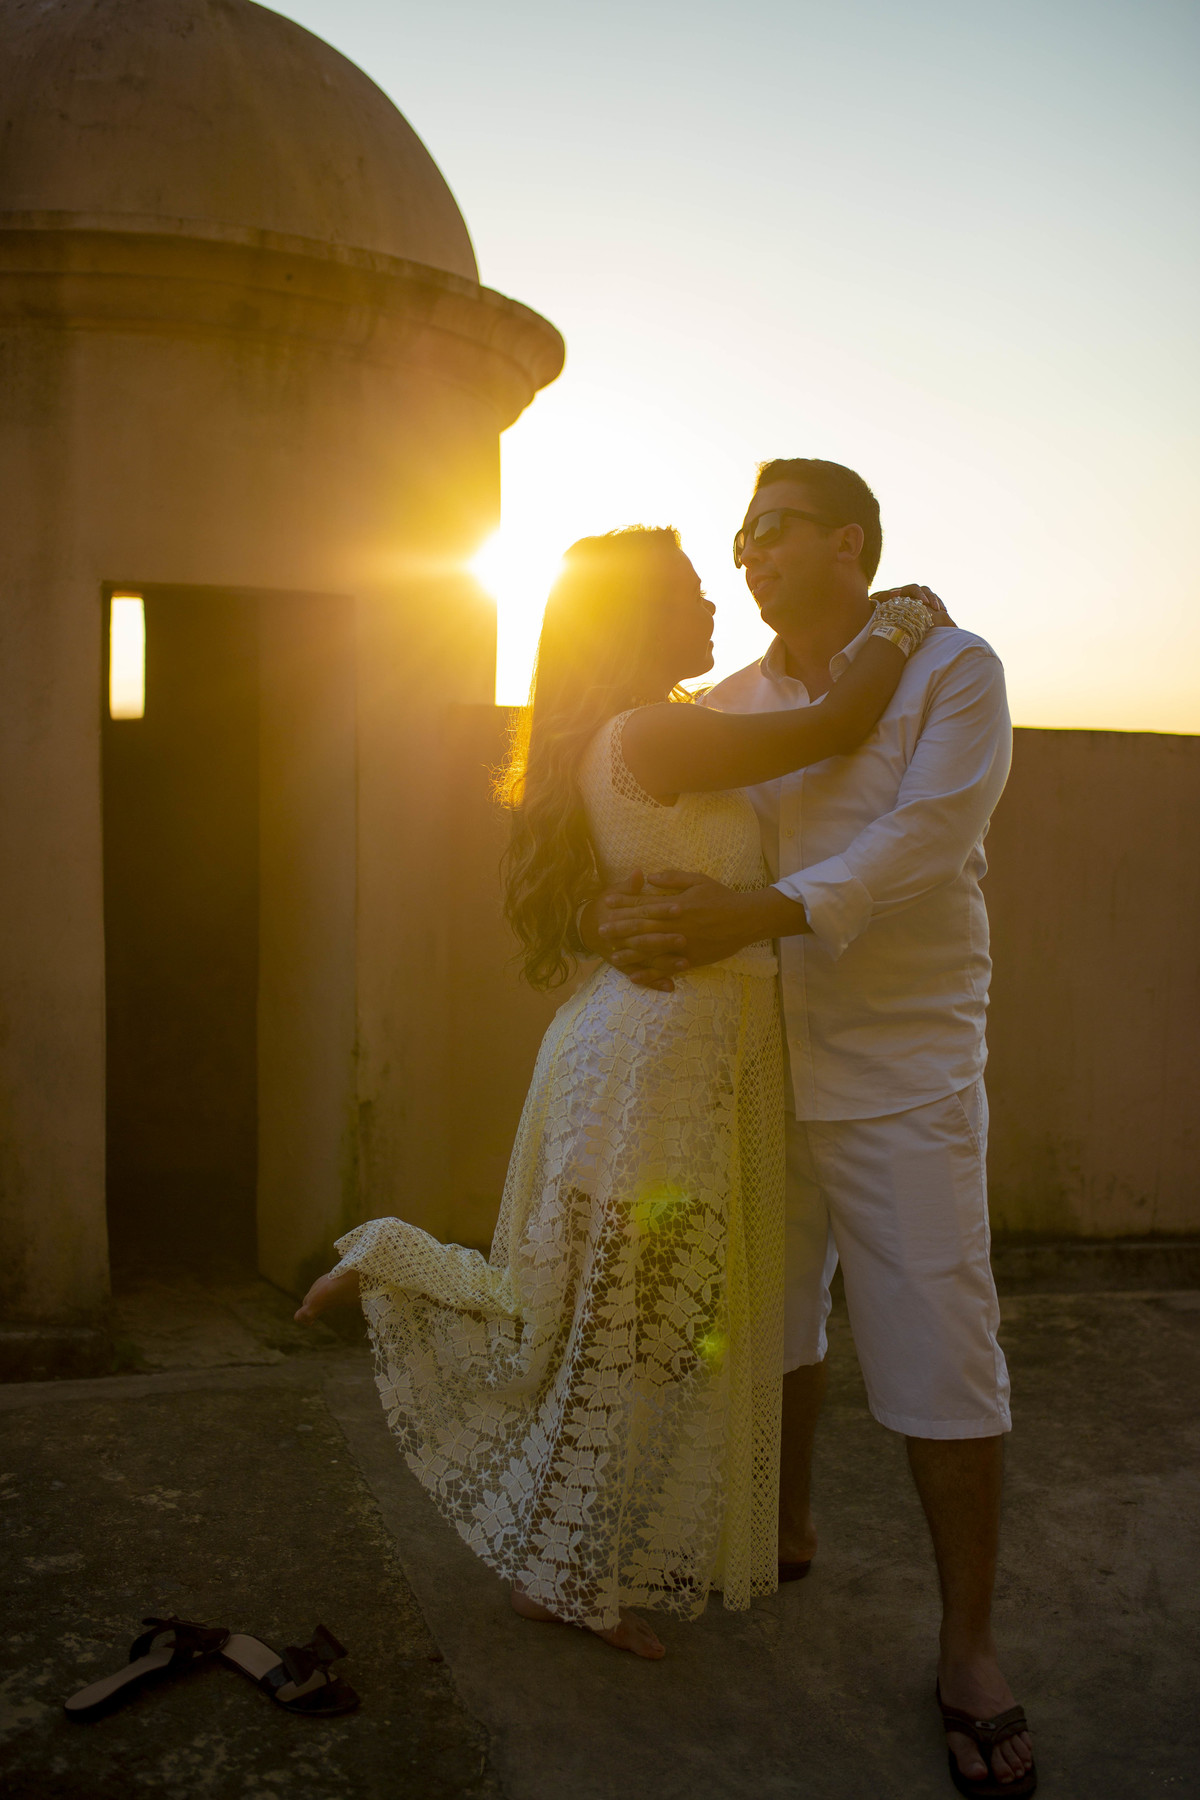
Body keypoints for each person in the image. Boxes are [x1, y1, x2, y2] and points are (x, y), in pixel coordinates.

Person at [296, 524, 945, 1662]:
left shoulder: (622, 733)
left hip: (641, 1043)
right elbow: (841, 725)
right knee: (631, 1325)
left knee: (610, 1314)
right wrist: (904, 616)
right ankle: (559, 1570)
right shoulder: (656, 731)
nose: (711, 606)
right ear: (634, 617)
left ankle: (408, 1282)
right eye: (688, 591)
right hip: (663, 1061)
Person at [590, 461, 1035, 1794]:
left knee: (943, 1347)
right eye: (739, 536)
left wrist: (760, 913)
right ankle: (783, 1532)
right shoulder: (726, 705)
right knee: (774, 1318)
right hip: (752, 1063)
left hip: (906, 1070)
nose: (747, 552)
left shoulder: (953, 670)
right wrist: (623, 919)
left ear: (852, 542)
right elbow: (658, 836)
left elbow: (922, 843)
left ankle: (969, 1650)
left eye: (771, 528)